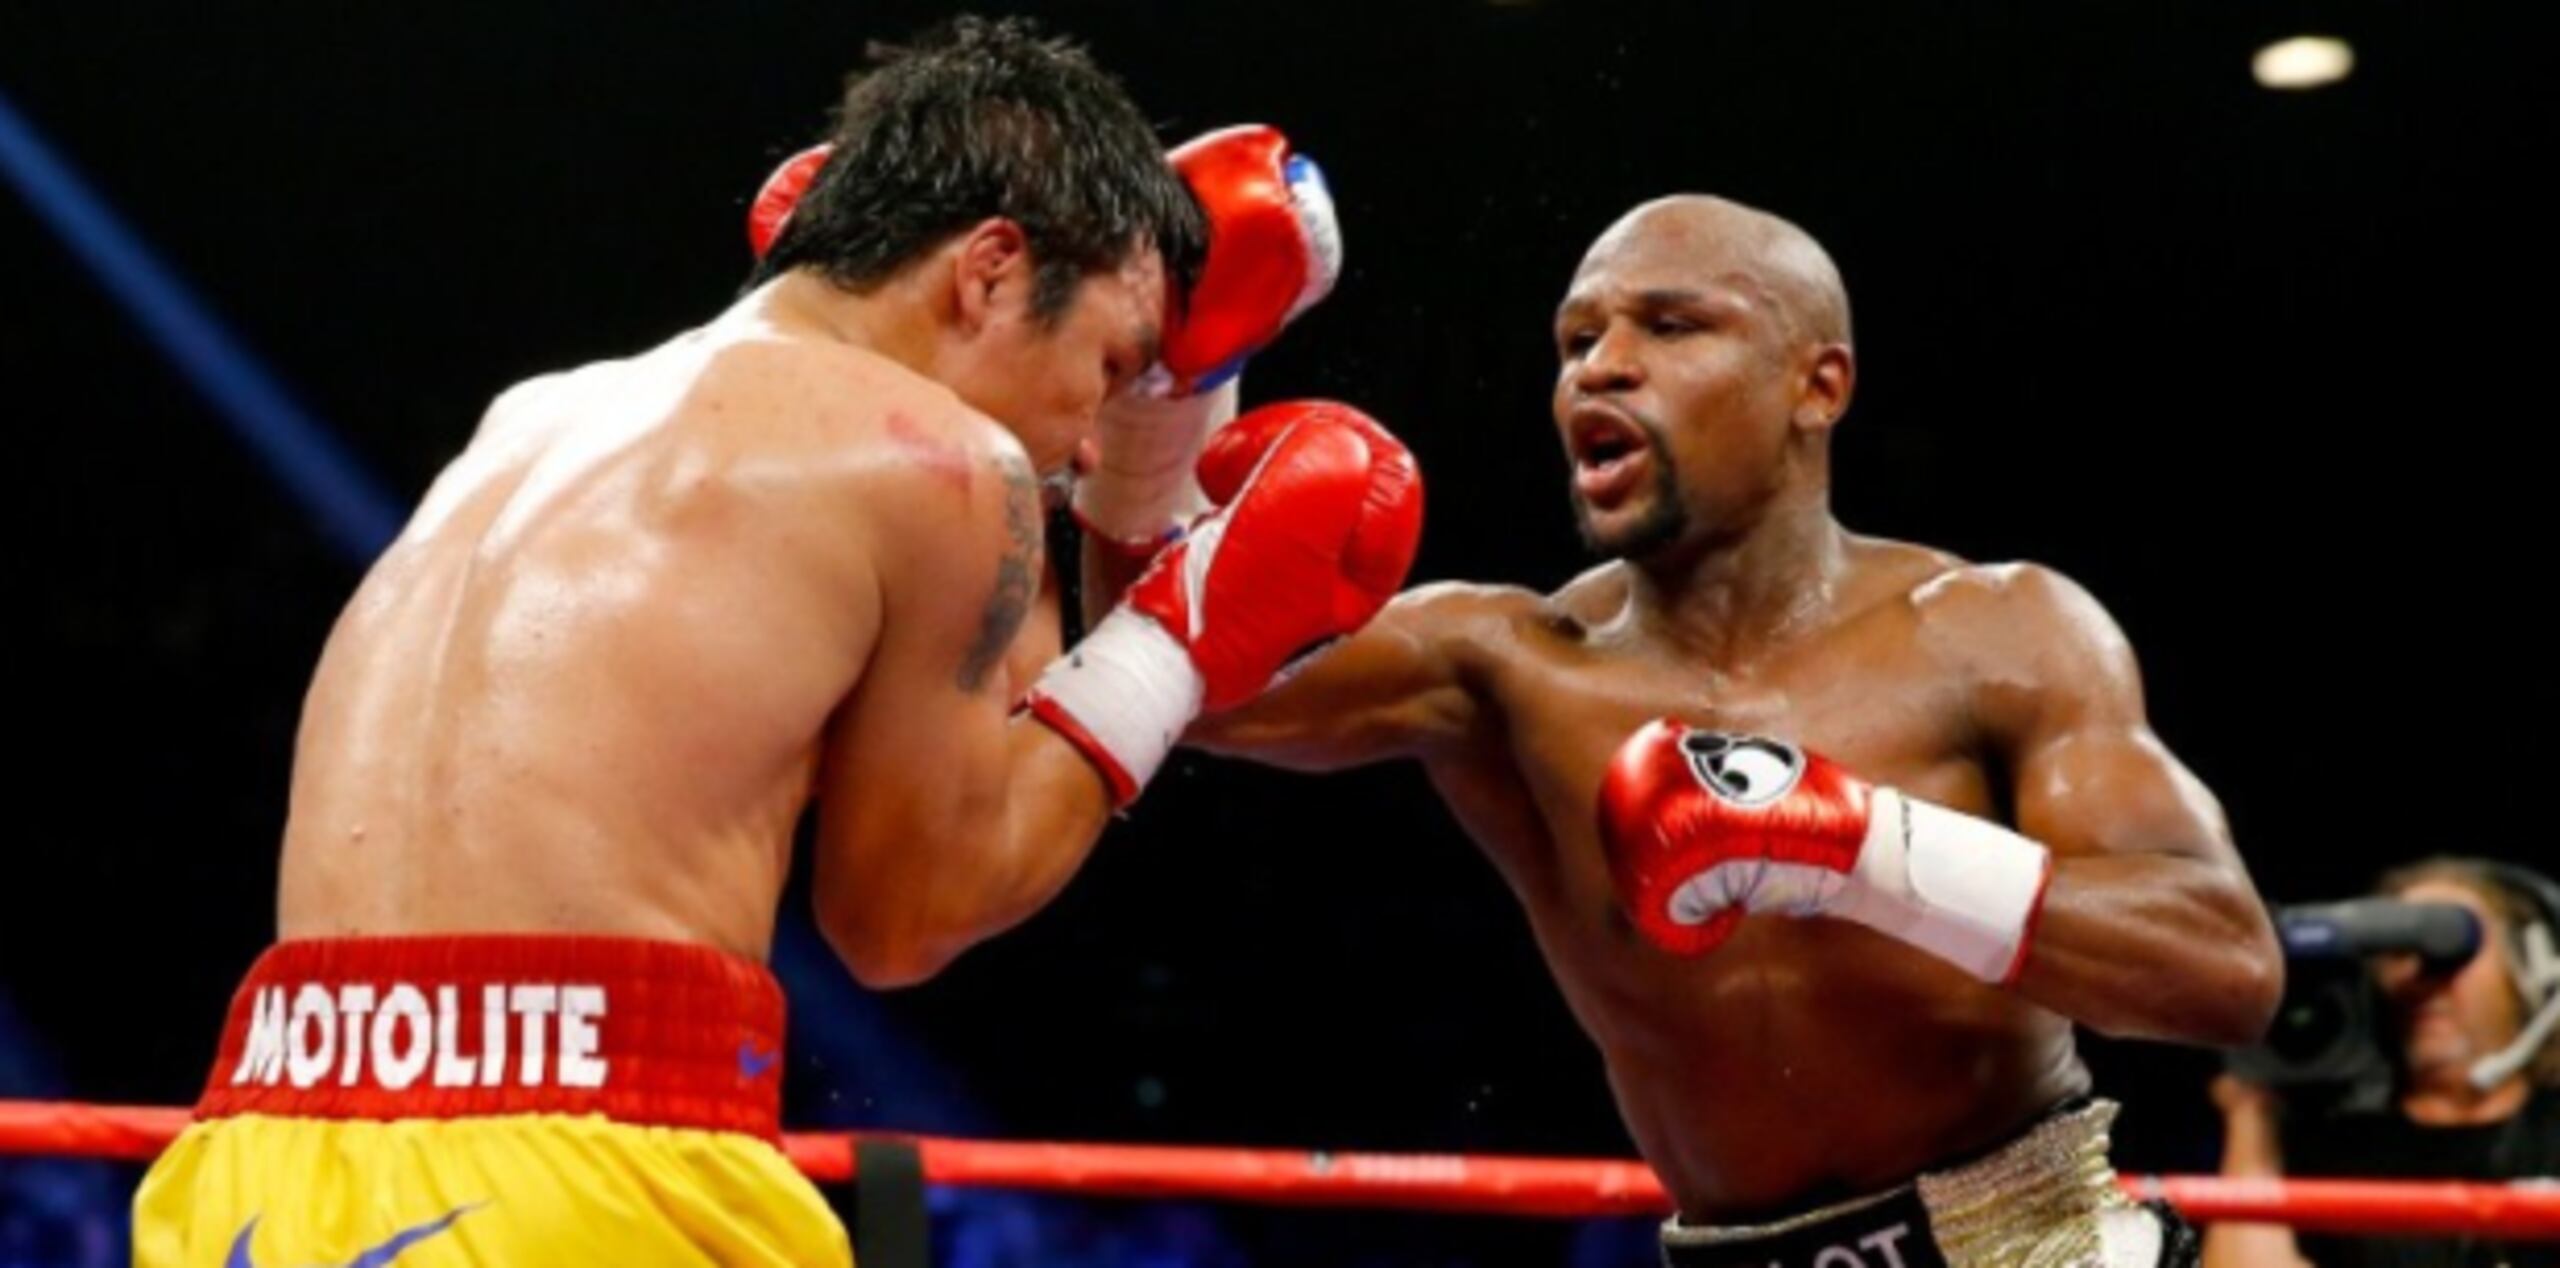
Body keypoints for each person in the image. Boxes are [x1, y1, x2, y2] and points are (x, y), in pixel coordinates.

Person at [128, 17, 1418, 1266]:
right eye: (1111, 361)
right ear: (987, 269)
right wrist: (1175, 638)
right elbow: (907, 914)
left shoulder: (540, 413)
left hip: (257, 1151)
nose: (1091, 435)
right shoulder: (942, 461)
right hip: (585, 1173)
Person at [1189, 194, 2283, 1266]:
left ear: (1818, 386)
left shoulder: (1995, 633)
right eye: (1577, 337)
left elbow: (2224, 967)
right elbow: (1177, 679)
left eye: (1669, 325)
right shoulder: (1502, 662)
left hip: (2032, 1245)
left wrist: (1861, 845)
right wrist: (1174, 388)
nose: (1599, 365)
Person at [2207, 857, 2560, 1268]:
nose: (2419, 975)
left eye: (2449, 947)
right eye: (2397, 953)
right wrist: (2253, 1115)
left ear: (2530, 969)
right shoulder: (2331, 1153)